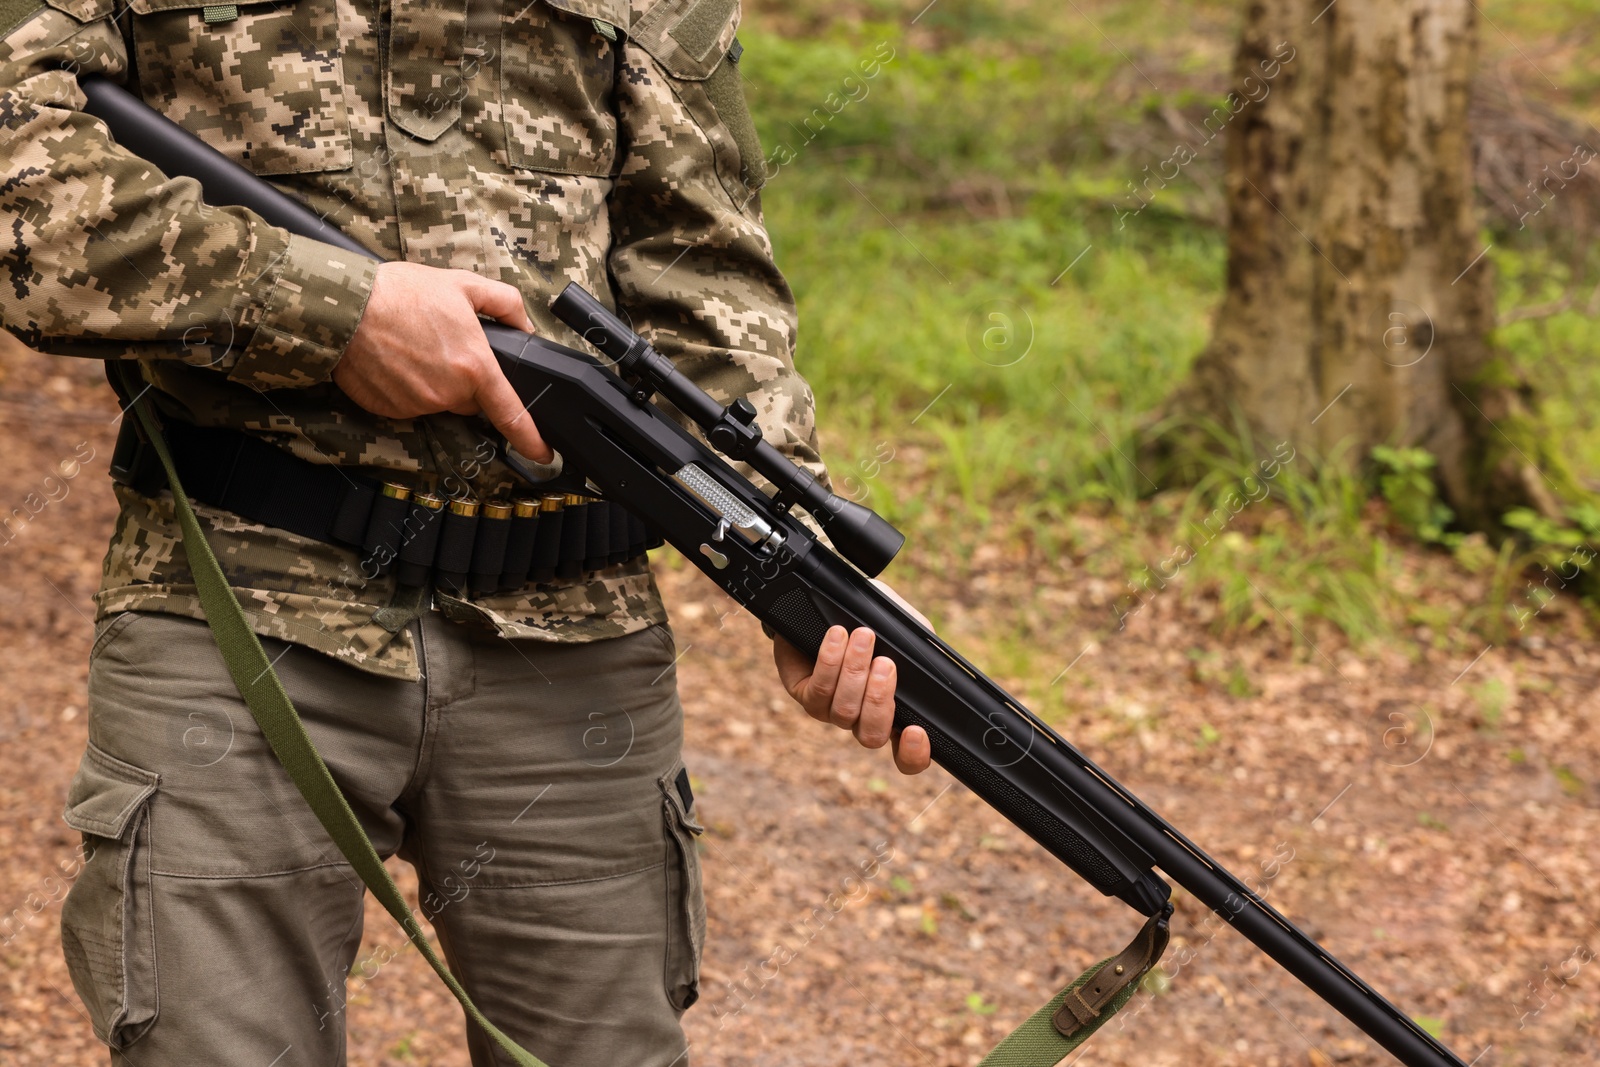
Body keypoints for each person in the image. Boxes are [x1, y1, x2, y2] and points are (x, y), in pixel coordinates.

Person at [0, 0, 931, 1062]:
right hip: (238, 603)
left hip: (577, 644)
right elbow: (19, 167)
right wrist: (332, 313)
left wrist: (798, 561)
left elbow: (704, 272)